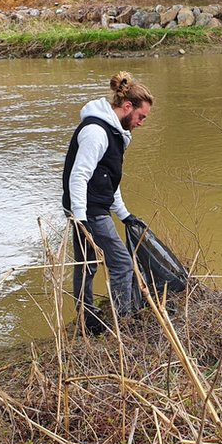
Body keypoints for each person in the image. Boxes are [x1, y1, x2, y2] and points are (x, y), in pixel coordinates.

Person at [61, 71, 153, 335]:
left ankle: (86, 317)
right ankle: (122, 321)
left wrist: (123, 214)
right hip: (88, 211)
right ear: (127, 107)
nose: (141, 123)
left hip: (90, 208)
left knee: (87, 264)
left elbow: (108, 179)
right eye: (141, 116)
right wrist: (81, 219)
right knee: (122, 264)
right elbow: (78, 176)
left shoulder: (113, 133)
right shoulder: (96, 132)